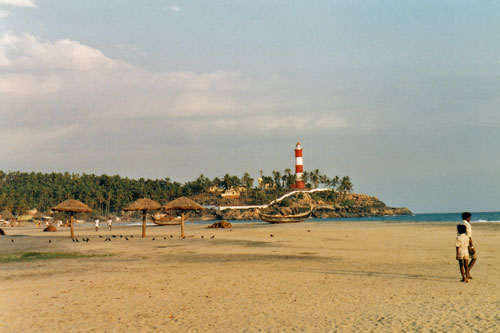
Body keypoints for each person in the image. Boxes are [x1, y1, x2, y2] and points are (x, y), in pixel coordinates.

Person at [460, 212, 477, 278]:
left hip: (461, 242)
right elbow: (469, 236)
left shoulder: (460, 223)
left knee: (464, 260)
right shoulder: (468, 225)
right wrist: (472, 246)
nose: (470, 218)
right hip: (467, 243)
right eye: (469, 217)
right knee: (474, 257)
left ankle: (467, 273)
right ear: (467, 218)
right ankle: (467, 272)